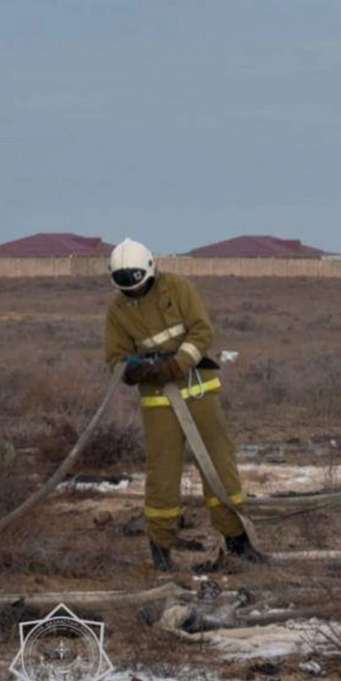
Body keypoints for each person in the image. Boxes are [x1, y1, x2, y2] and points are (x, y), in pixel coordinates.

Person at [103, 237, 261, 571]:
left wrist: (175, 365)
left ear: (150, 271)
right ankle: (160, 549)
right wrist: (134, 369)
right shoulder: (117, 311)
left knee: (219, 467)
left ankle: (238, 542)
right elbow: (115, 357)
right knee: (162, 474)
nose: (133, 293)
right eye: (127, 289)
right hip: (158, 401)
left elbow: (201, 331)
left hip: (198, 390)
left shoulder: (178, 288)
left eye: (138, 286)